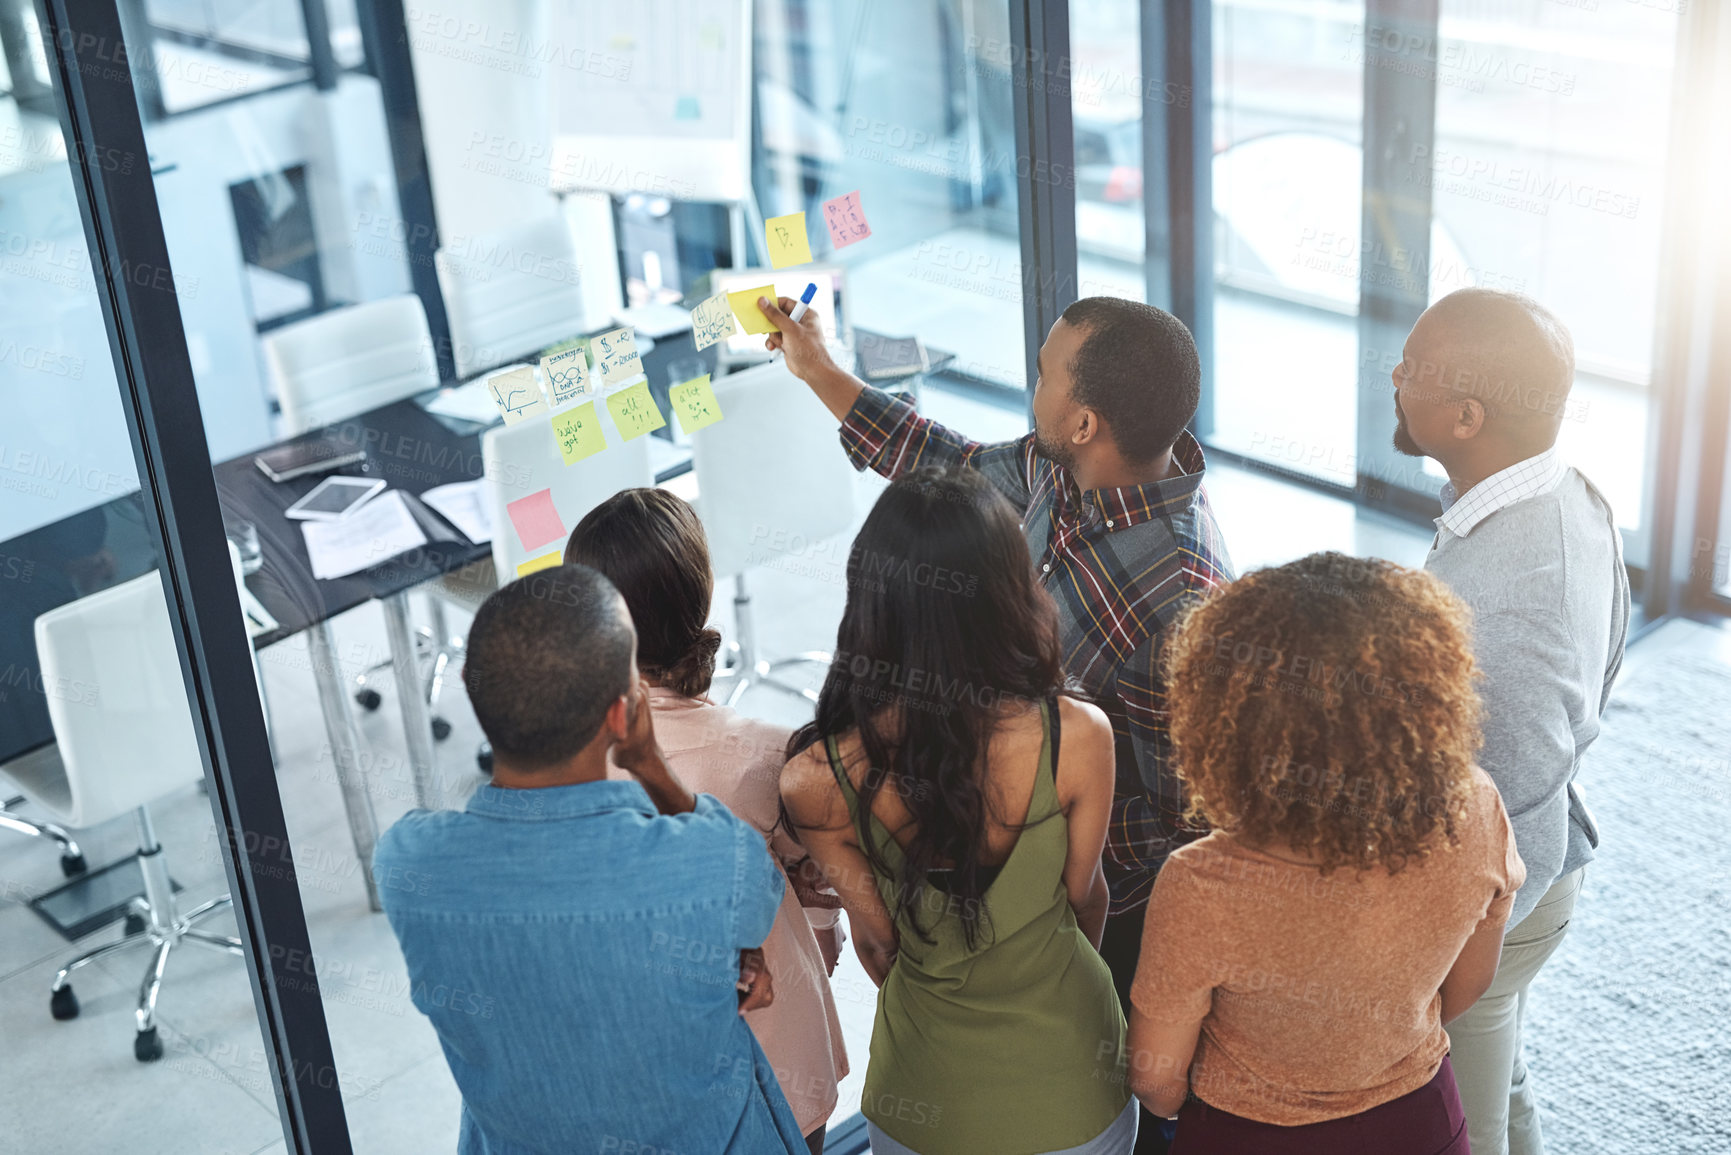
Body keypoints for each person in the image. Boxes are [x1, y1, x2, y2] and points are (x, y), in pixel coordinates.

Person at [760, 293, 1233, 1153]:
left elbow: (1185, 818)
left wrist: (1072, 918)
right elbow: (947, 469)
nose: (1034, 383)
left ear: (1084, 418)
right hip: (1047, 867)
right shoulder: (1060, 464)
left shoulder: (1185, 597)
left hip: (1107, 897)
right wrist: (820, 369)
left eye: (1047, 371)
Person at [372, 566, 806, 1154]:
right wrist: (650, 762)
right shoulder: (704, 862)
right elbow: (752, 897)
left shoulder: (408, 864)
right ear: (621, 716)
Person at [781, 468, 1136, 1155]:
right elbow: (1085, 899)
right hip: (1073, 1095)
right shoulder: (1078, 734)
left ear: (870, 598)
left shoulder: (815, 780)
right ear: (1009, 591)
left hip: (922, 1102)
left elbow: (879, 944)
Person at [1127, 552, 1526, 1154]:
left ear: (1230, 719)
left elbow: (1156, 1080)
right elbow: (1467, 987)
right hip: (1419, 1122)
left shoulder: (1204, 881)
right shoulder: (1474, 804)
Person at [1391, 288, 1630, 1155]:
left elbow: (1518, 796)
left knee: (1465, 1127)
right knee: (1505, 1077)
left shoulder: (1510, 599)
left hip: (1501, 909)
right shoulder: (1565, 492)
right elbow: (1604, 659)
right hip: (1529, 876)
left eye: (1411, 368)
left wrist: (1450, 962)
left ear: (1464, 414)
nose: (1393, 375)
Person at [565, 488, 849, 1153]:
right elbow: (818, 882)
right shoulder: (765, 753)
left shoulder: (561, 756)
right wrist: (820, 918)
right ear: (701, 594)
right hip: (775, 1045)